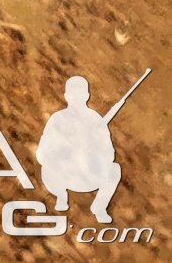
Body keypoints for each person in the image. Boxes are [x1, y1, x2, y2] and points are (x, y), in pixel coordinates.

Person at [36, 76, 125, 223]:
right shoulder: (57, 119)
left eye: (80, 94)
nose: (76, 98)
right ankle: (61, 196)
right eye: (73, 94)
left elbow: (109, 154)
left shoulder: (95, 120)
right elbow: (41, 153)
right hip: (62, 176)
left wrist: (92, 149)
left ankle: (99, 207)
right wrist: (63, 151)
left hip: (88, 175)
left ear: (87, 96)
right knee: (46, 168)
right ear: (66, 96)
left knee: (114, 169)